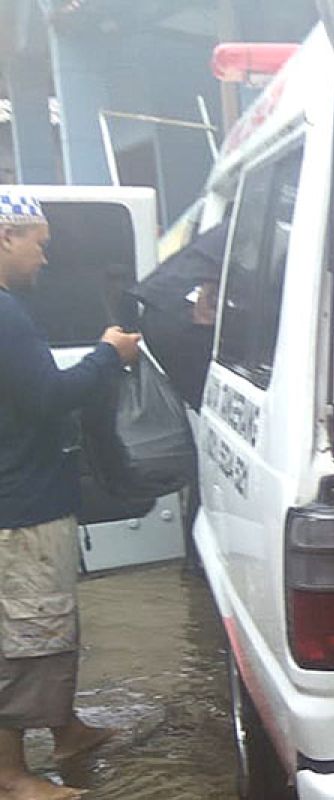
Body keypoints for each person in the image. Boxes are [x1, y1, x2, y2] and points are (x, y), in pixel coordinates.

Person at [0, 192, 141, 800]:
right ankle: (11, 775)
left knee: (48, 623)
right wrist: (109, 355)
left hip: (28, 499)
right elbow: (50, 397)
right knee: (25, 634)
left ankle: (66, 729)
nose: (45, 258)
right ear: (6, 235)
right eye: (40, 243)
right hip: (21, 510)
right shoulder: (5, 314)